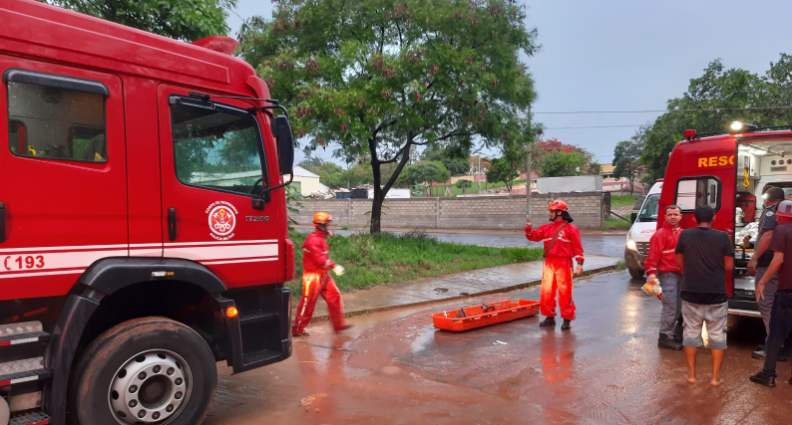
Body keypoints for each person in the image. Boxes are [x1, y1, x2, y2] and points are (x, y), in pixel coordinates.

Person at [675, 205, 734, 386]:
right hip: (716, 294)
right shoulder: (723, 237)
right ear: (713, 218)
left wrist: (692, 272)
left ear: (694, 218)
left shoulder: (685, 235)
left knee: (691, 334)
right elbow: (729, 267)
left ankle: (692, 376)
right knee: (717, 335)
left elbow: (678, 262)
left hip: (690, 293)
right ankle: (715, 378)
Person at [750, 199, 792, 387]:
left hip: (786, 291)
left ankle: (768, 374)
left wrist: (763, 282)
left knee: (775, 332)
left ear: (781, 216)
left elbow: (778, 259)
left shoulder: (781, 230)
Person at [525, 199, 584, 331]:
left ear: (560, 213)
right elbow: (533, 237)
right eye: (550, 211)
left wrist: (580, 263)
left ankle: (567, 319)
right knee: (547, 291)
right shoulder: (546, 228)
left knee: (565, 292)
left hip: (564, 262)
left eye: (552, 211)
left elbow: (578, 248)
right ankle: (549, 317)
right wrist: (528, 229)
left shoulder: (571, 229)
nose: (550, 214)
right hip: (549, 263)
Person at [291, 212, 352, 337]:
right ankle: (297, 329)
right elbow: (320, 260)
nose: (329, 225)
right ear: (320, 225)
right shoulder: (313, 240)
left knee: (334, 295)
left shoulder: (321, 237)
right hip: (312, 276)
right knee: (307, 303)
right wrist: (334, 266)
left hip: (323, 274)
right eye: (327, 223)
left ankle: (339, 325)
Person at [748, 187, 786, 360]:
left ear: (768, 198)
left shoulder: (771, 212)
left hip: (768, 264)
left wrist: (754, 258)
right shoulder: (786, 211)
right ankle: (777, 342)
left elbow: (768, 235)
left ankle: (774, 347)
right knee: (778, 305)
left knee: (766, 303)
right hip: (783, 264)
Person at [644, 205, 684, 350]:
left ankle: (671, 333)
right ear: (665, 217)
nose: (673, 217)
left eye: (676, 214)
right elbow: (652, 256)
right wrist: (651, 273)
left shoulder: (682, 233)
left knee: (679, 306)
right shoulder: (659, 235)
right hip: (668, 275)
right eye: (670, 215)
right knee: (670, 306)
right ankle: (665, 336)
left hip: (681, 275)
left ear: (680, 217)